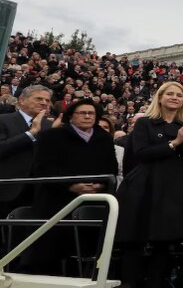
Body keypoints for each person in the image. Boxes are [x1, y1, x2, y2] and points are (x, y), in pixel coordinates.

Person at [115, 81, 183, 288]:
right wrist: (175, 143)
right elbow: (142, 153)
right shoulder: (145, 123)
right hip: (145, 187)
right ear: (160, 98)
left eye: (179, 95)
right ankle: (129, 283)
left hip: (175, 190)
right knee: (135, 240)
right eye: (170, 94)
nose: (174, 98)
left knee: (164, 243)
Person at [25, 98, 118, 274]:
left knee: (85, 253)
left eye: (91, 113)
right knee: (51, 254)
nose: (87, 116)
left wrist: (99, 185)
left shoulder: (104, 138)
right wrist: (71, 186)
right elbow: (42, 168)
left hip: (92, 200)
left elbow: (111, 167)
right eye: (82, 113)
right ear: (71, 116)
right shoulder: (51, 136)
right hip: (56, 201)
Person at [0, 85, 59, 222]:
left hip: (38, 192)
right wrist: (30, 133)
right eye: (39, 98)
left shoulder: (49, 126)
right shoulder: (3, 120)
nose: (44, 103)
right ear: (22, 100)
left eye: (47, 100)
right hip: (7, 190)